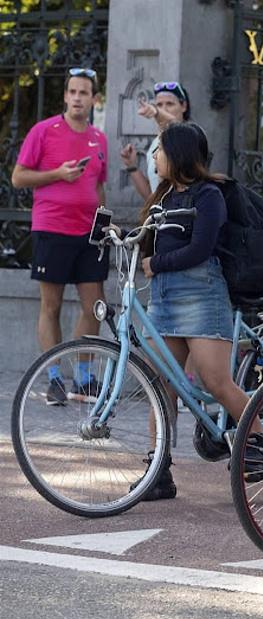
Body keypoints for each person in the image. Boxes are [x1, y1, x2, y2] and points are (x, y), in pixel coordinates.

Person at [133, 121, 263, 500]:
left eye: (159, 150)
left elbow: (200, 248)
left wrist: (156, 263)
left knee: (215, 382)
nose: (154, 157)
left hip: (200, 293)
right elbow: (147, 240)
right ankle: (157, 471)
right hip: (163, 297)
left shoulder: (208, 195)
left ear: (177, 154)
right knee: (162, 385)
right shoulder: (163, 195)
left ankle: (259, 445)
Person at [11, 68, 108, 405]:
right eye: (73, 92)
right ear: (65, 96)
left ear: (94, 99)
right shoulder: (44, 131)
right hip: (52, 228)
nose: (78, 98)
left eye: (84, 93)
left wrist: (103, 222)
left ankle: (83, 379)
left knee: (94, 306)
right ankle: (53, 378)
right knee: (50, 306)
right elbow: (18, 178)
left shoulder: (99, 138)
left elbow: (98, 185)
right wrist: (58, 174)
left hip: (89, 234)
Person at [120, 82, 191, 201]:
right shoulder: (156, 143)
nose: (164, 109)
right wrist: (132, 166)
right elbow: (153, 195)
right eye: (159, 104)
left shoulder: (190, 137)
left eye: (170, 104)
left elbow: (175, 126)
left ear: (183, 106)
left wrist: (157, 112)